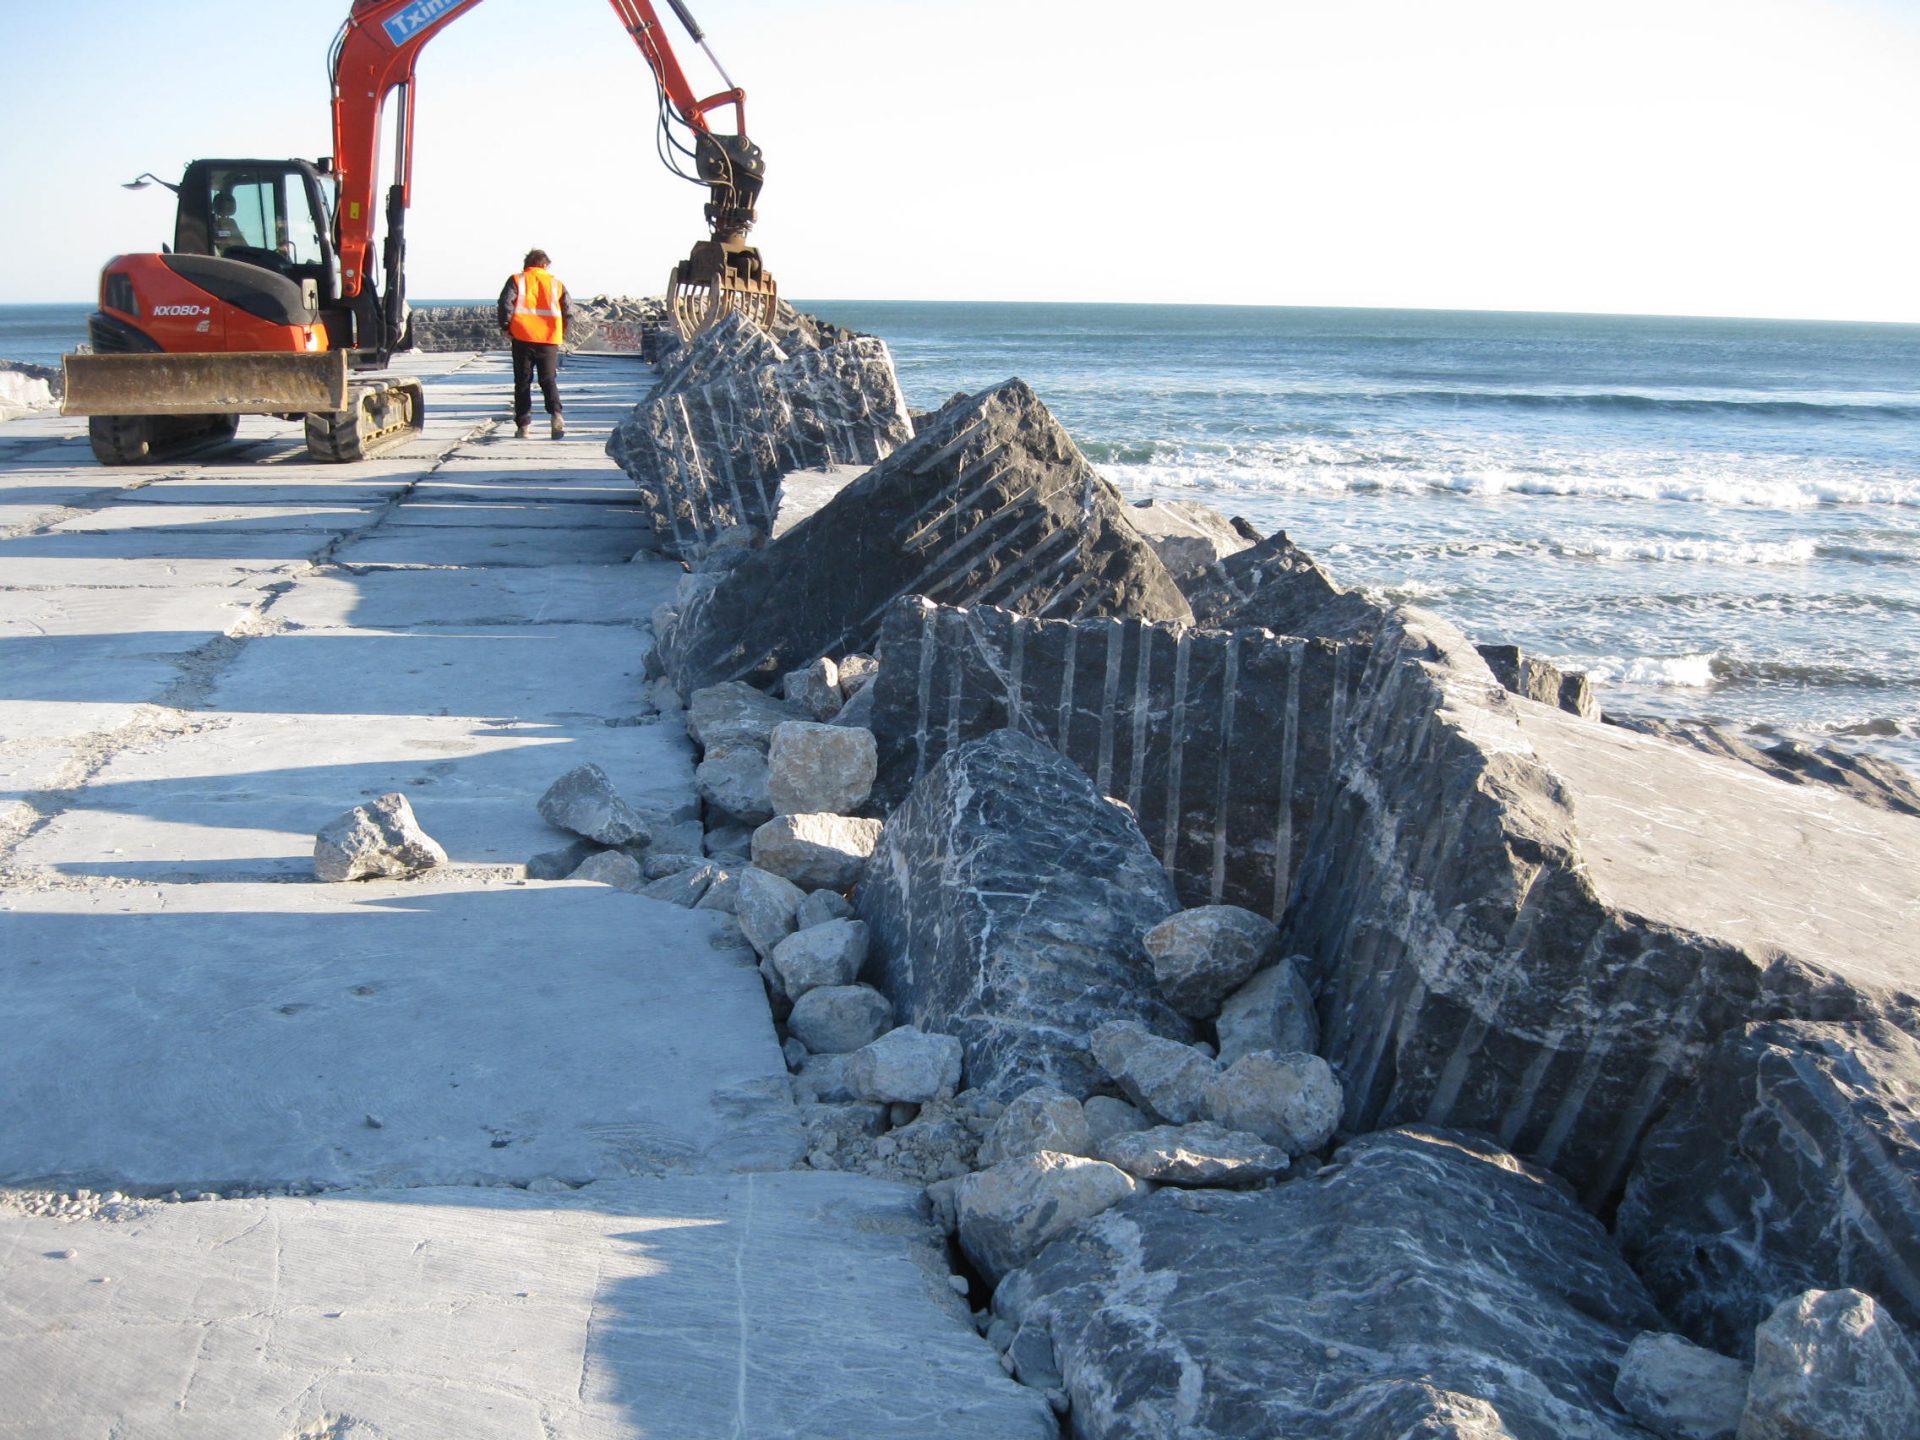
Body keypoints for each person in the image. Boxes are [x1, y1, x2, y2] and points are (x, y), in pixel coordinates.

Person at [497, 249, 572, 438]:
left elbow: (505, 304)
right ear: (545, 265)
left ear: (527, 264)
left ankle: (523, 426)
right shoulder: (556, 284)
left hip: (522, 337)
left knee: (522, 381)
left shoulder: (517, 280)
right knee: (548, 380)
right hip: (548, 339)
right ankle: (556, 415)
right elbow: (568, 311)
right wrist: (560, 332)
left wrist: (506, 327)